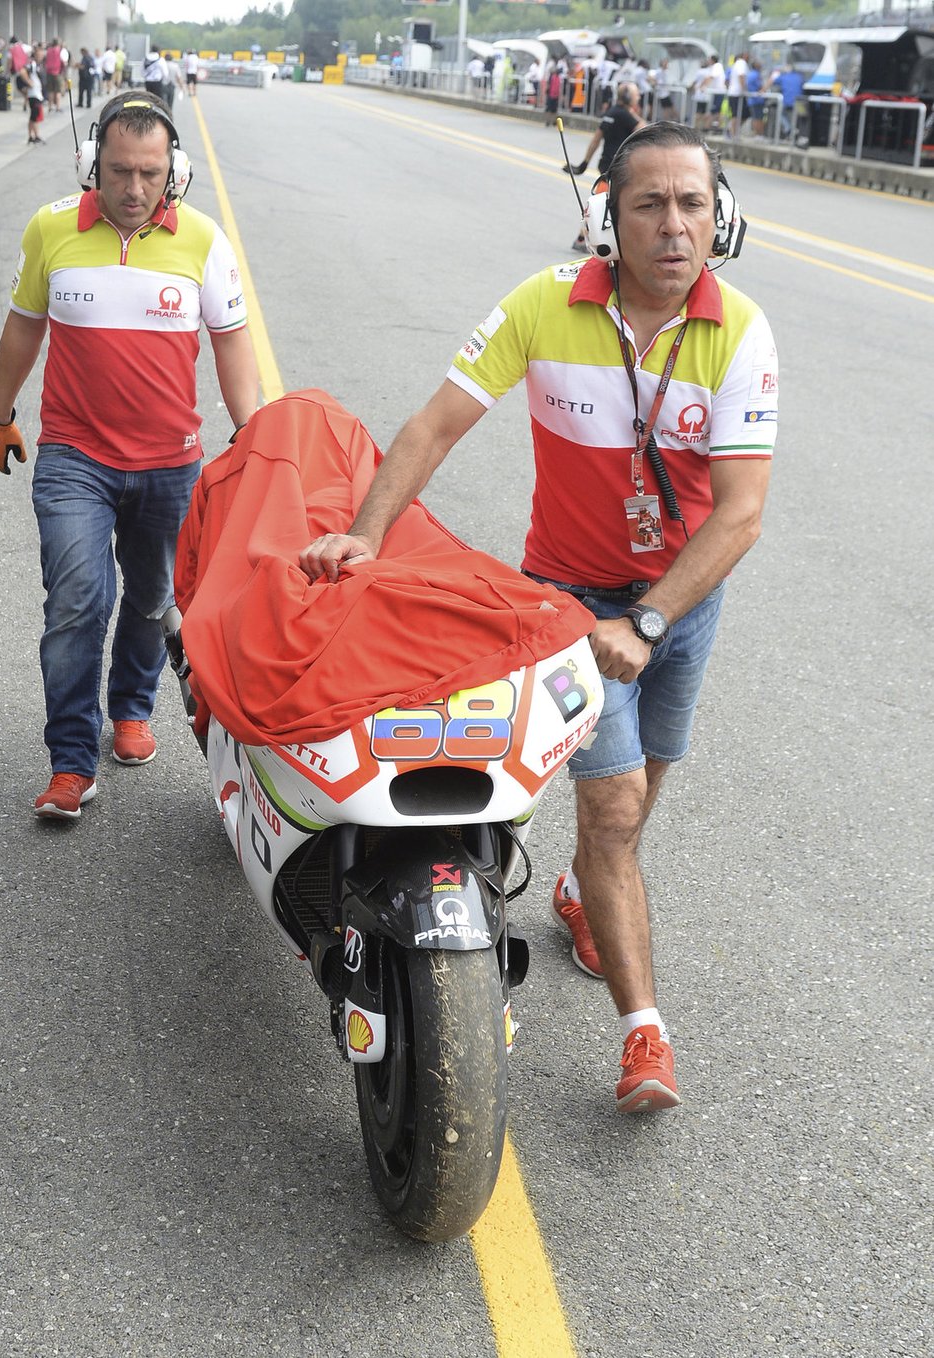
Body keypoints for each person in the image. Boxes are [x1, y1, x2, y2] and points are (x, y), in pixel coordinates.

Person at [299, 122, 778, 1114]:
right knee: (609, 812)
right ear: (610, 219)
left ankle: (586, 889)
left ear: (720, 217)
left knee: (640, 797)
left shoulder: (742, 332)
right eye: (649, 204)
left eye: (692, 203)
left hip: (680, 603)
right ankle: (646, 1032)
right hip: (569, 604)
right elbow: (434, 424)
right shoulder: (542, 307)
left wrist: (650, 621)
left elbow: (740, 513)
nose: (673, 225)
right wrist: (367, 537)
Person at [0, 90, 260, 820]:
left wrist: (257, 435)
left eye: (150, 173)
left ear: (175, 173)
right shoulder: (51, 230)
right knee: (78, 601)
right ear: (90, 164)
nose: (134, 190)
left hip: (172, 464)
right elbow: (23, 326)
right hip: (75, 456)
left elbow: (232, 347)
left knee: (151, 597)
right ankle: (71, 761)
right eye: (119, 171)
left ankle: (132, 708)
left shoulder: (202, 240)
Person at [564, 83, 645, 252]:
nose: (639, 98)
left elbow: (596, 139)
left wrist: (584, 163)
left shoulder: (610, 113)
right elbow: (645, 131)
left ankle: (584, 237)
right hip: (618, 167)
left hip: (606, 165)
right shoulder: (625, 116)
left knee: (605, 204)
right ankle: (584, 238)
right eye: (637, 95)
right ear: (629, 98)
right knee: (609, 205)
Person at [16, 44, 45, 143]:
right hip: (33, 94)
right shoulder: (32, 64)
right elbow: (22, 71)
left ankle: (31, 136)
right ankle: (35, 135)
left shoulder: (38, 65)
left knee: (34, 116)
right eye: (39, 55)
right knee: (35, 115)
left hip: (38, 93)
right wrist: (29, 82)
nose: (41, 57)